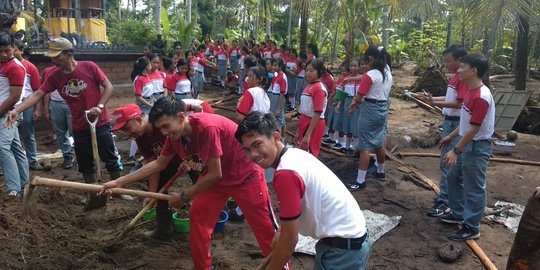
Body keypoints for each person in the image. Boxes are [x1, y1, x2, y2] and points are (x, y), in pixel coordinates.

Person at [99, 97, 279, 269]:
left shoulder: (207, 127)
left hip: (244, 176)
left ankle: (280, 266)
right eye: (160, 129)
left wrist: (184, 196)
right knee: (198, 217)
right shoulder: (173, 137)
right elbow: (159, 163)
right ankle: (204, 267)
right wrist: (119, 181)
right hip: (215, 181)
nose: (164, 133)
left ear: (181, 117)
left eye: (166, 126)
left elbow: (216, 174)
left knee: (266, 230)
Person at [236, 112, 370, 269]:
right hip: (350, 240)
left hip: (343, 251)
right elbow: (293, 215)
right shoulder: (293, 154)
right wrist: (282, 230)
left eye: (257, 144)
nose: (253, 154)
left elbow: (290, 240)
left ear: (276, 137)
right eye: (247, 149)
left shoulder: (286, 173)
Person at [5, 37, 123, 188]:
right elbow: (37, 94)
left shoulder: (89, 66)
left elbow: (108, 86)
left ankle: (117, 188)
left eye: (57, 57)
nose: (54, 62)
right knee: (85, 162)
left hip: (99, 122)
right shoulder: (54, 75)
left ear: (68, 54)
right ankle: (93, 191)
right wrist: (17, 110)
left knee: (110, 156)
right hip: (79, 125)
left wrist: (99, 107)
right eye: (52, 58)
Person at [439, 54, 495, 241]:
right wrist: (450, 136)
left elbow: (475, 128)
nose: (458, 70)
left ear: (473, 71)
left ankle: (472, 226)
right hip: (466, 141)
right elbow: (465, 123)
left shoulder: (481, 96)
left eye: (462, 67)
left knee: (474, 186)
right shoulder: (471, 91)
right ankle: (458, 212)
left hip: (476, 146)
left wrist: (456, 150)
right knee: (454, 176)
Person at [111, 104, 181, 240]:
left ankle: (214, 222)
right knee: (159, 188)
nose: (127, 133)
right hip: (167, 162)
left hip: (189, 157)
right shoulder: (140, 138)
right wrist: (151, 194)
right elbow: (152, 163)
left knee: (202, 183)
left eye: (127, 128)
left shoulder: (161, 125)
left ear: (138, 119)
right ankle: (164, 230)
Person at [420, 45, 468, 217]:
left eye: (448, 61)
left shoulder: (462, 79)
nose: (445, 64)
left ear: (460, 60)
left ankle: (447, 202)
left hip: (455, 123)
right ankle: (445, 198)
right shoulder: (456, 77)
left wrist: (435, 103)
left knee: (449, 164)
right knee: (445, 163)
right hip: (450, 122)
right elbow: (451, 99)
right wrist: (433, 99)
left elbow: (459, 104)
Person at [346, 45, 393, 190]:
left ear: (371, 59)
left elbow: (359, 97)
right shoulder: (387, 71)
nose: (366, 64)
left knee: (365, 145)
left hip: (370, 109)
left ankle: (360, 180)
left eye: (366, 61)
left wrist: (354, 104)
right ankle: (380, 171)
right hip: (383, 108)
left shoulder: (370, 75)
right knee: (379, 141)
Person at [0, 32, 29, 197]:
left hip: (10, 114)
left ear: (14, 48)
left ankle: (14, 189)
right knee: (15, 148)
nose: (4, 54)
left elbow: (14, 97)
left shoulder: (16, 67)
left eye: (7, 50)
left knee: (2, 147)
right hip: (3, 112)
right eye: (1, 51)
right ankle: (25, 185)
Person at [13, 40, 43, 170]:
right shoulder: (5, 67)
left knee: (28, 133)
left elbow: (37, 90)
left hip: (27, 102)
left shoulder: (30, 67)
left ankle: (32, 160)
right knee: (11, 136)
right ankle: (15, 163)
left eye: (14, 50)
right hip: (11, 103)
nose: (12, 53)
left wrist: (38, 109)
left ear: (21, 51)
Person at [294, 58, 328, 158]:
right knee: (302, 150)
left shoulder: (319, 88)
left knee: (310, 152)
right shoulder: (309, 86)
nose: (308, 73)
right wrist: (298, 131)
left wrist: (308, 134)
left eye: (312, 71)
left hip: (314, 123)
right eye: (307, 70)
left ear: (319, 72)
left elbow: (317, 112)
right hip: (304, 121)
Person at [42, 66, 74, 169]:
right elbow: (46, 91)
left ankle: (84, 156)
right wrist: (46, 109)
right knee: (60, 132)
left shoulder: (74, 69)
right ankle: (67, 156)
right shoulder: (49, 71)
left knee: (75, 131)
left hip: (72, 103)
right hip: (56, 103)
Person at [268, 58, 288, 135]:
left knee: (280, 120)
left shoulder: (282, 77)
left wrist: (278, 108)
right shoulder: (275, 75)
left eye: (275, 65)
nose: (273, 67)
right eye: (273, 65)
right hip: (274, 97)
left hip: (278, 98)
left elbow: (282, 93)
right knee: (277, 119)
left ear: (280, 66)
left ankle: (282, 139)